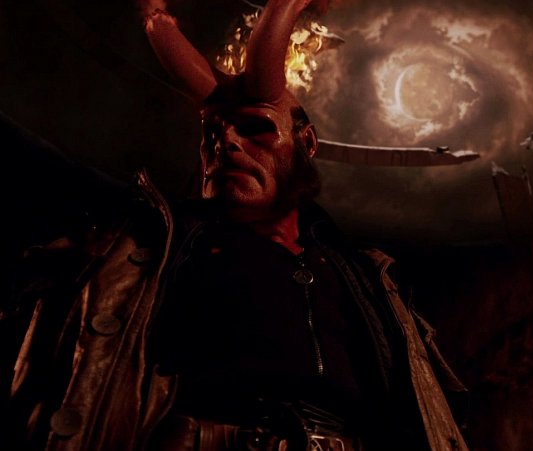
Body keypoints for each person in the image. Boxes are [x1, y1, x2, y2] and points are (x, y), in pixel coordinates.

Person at [0, 0, 469, 449]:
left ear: (306, 143)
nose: (226, 142)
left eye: (254, 128)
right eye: (212, 133)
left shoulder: (365, 275)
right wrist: (152, 12)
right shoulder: (155, 241)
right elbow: (34, 164)